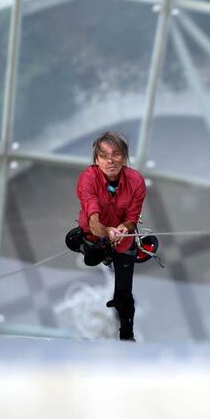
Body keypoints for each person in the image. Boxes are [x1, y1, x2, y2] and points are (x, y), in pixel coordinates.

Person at [73, 131, 147, 341]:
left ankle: (126, 335)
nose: (110, 160)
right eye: (103, 155)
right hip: (95, 235)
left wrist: (124, 228)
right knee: (92, 257)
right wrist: (106, 232)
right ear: (96, 160)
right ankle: (90, 250)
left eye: (116, 154)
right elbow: (93, 216)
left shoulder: (136, 182)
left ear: (124, 157)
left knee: (124, 293)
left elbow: (133, 217)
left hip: (122, 241)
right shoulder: (88, 179)